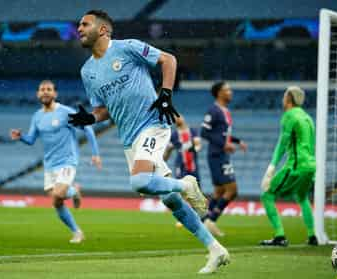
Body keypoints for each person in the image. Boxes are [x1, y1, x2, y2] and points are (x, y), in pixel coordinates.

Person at [68, 10, 229, 274]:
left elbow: (168, 60)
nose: (79, 28)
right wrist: (89, 118)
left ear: (103, 30)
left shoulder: (128, 48)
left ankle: (186, 183)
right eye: (79, 25)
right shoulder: (87, 72)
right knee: (170, 200)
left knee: (139, 181)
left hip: (153, 125)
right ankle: (215, 249)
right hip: (130, 138)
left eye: (85, 24)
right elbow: (102, 110)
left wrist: (165, 95)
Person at [10, 80, 101, 244]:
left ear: (55, 94)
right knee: (56, 202)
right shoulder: (37, 116)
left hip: (67, 161)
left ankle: (73, 191)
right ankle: (77, 231)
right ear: (38, 94)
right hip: (50, 164)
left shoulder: (65, 112)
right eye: (42, 89)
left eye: (49, 89)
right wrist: (21, 137)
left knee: (59, 194)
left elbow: (87, 128)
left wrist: (95, 154)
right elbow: (31, 139)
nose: (45, 92)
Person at [260, 86, 318, 246]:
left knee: (267, 194)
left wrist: (271, 168)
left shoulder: (289, 116)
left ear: (288, 99)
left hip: (296, 166)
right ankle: (313, 236)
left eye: (284, 96)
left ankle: (279, 236)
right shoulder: (307, 118)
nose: (282, 99)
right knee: (302, 197)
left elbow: (282, 144)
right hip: (311, 165)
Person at [201, 81, 247, 237]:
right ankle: (211, 220)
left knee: (220, 191)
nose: (230, 92)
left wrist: (237, 141)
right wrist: (224, 145)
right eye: (227, 90)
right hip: (217, 155)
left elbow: (223, 134)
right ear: (219, 93)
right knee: (232, 190)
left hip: (222, 154)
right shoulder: (213, 110)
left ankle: (203, 220)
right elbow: (204, 132)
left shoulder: (225, 111)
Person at [164, 115, 201, 184]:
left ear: (183, 118)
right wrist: (162, 162)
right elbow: (168, 151)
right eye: (174, 118)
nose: (177, 119)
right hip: (180, 165)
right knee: (182, 186)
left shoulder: (193, 131)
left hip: (193, 164)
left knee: (196, 186)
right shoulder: (174, 135)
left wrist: (194, 149)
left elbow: (198, 145)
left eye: (178, 117)